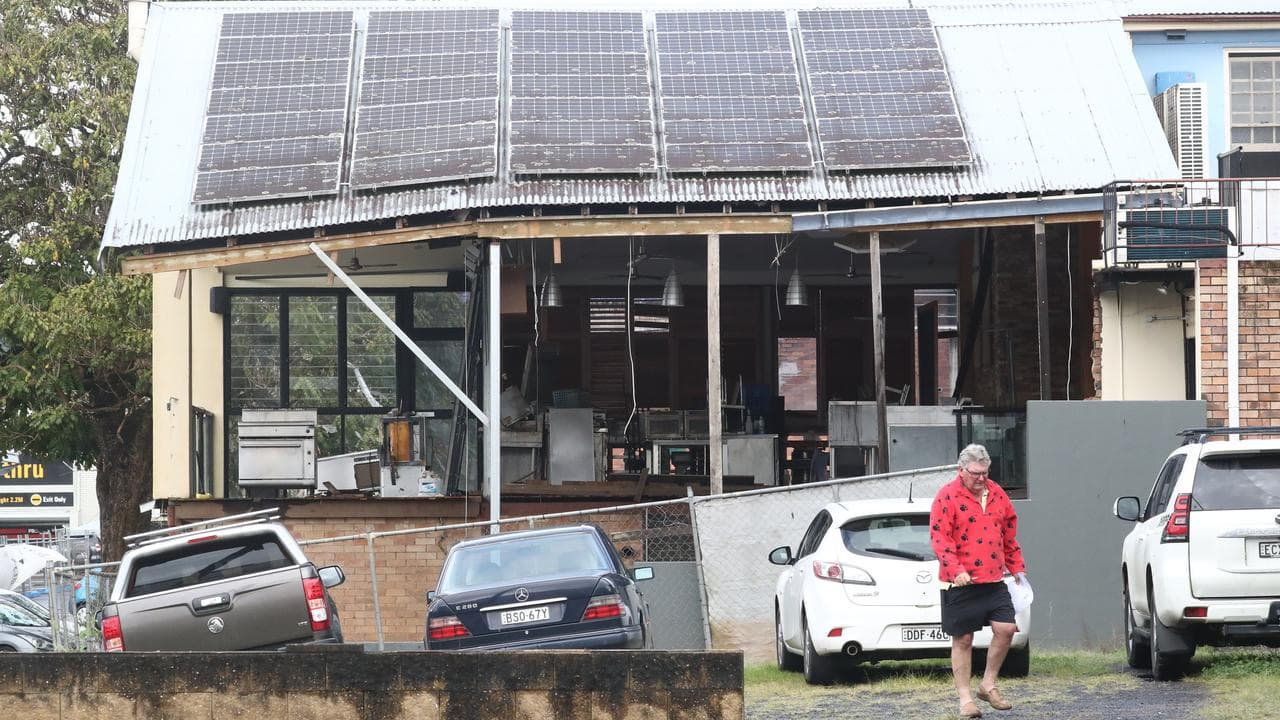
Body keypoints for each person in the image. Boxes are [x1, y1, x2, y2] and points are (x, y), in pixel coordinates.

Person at [929, 444, 1027, 718]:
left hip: (994, 578)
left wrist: (1017, 568)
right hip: (960, 581)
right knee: (963, 639)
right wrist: (956, 568)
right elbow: (940, 538)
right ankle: (965, 699)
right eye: (975, 473)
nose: (981, 478)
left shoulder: (996, 493)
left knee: (1007, 628)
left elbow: (1009, 535)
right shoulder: (946, 496)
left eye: (984, 473)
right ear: (961, 471)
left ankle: (988, 685)